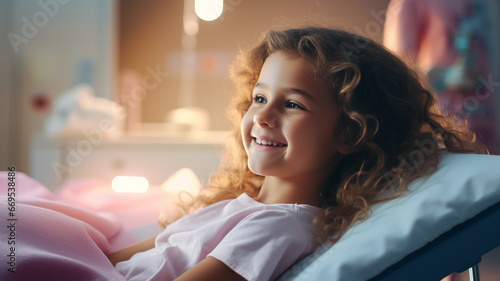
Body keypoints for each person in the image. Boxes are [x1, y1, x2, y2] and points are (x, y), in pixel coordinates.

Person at [108, 27, 483, 281]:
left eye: (292, 104)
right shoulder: (238, 206)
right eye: (259, 97)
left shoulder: (277, 227)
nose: (262, 117)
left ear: (350, 131)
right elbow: (115, 259)